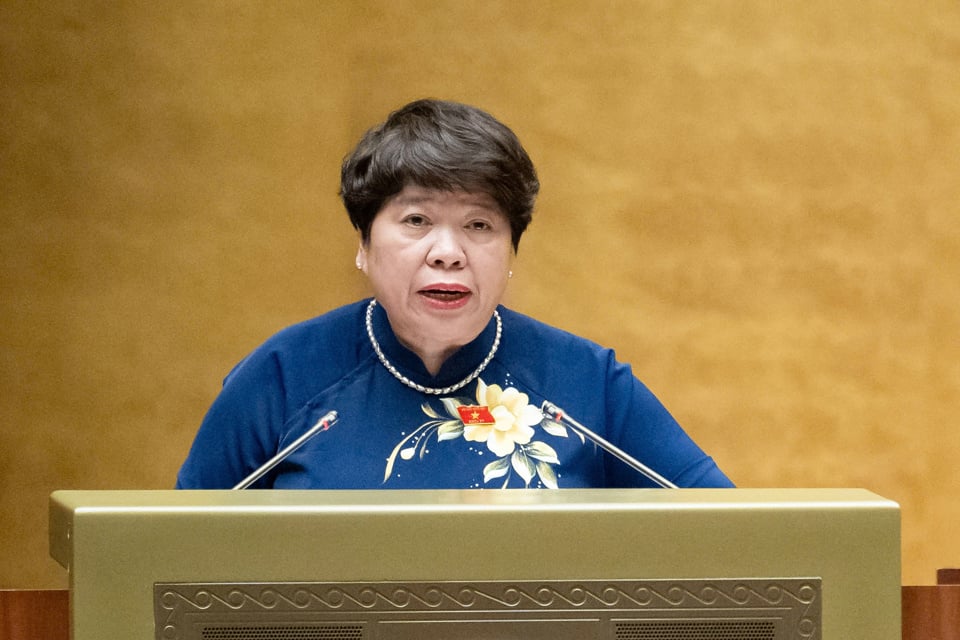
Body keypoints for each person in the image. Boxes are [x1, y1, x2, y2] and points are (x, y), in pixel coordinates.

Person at [176, 99, 734, 490]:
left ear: (511, 250)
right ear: (364, 245)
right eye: (416, 219)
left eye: (479, 226)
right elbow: (171, 563)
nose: (448, 252)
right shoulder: (281, 378)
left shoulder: (589, 386)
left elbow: (735, 534)